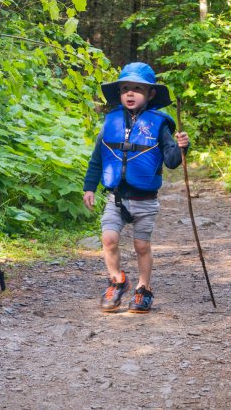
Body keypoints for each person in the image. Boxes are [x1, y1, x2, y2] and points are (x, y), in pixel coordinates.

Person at [82, 62, 189, 313]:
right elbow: (97, 158)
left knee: (141, 246)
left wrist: (182, 147)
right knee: (109, 239)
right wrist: (89, 187)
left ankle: (144, 288)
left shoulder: (159, 125)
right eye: (125, 88)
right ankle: (118, 280)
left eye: (138, 89)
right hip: (115, 198)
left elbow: (172, 161)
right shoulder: (111, 123)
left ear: (151, 94)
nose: (130, 93)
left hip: (145, 200)